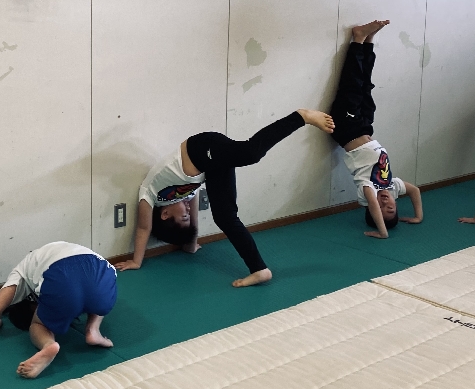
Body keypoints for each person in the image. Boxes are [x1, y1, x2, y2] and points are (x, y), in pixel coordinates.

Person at [115, 109, 335, 287]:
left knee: (251, 153)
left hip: (201, 147)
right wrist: (191, 243)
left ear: (164, 214)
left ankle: (301, 116)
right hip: (209, 167)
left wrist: (136, 261)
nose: (189, 212)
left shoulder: (149, 194)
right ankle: (259, 269)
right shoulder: (182, 198)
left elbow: (143, 228)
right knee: (224, 217)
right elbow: (193, 198)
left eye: (184, 217)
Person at [328, 20, 423, 239]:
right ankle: (369, 40)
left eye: (382, 210)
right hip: (365, 127)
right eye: (392, 208)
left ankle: (358, 38)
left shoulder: (366, 190)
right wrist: (418, 216)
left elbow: (372, 203)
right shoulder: (393, 187)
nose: (386, 204)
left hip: (346, 128)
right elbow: (415, 191)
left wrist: (383, 232)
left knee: (352, 85)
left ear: (372, 210)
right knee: (365, 86)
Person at [0, 241, 116, 379]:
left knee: (37, 324)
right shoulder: (36, 259)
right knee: (93, 294)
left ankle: (48, 344)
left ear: (28, 300)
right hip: (102, 271)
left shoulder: (21, 272)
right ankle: (93, 330)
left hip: (62, 278)